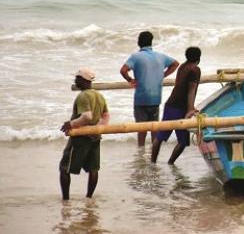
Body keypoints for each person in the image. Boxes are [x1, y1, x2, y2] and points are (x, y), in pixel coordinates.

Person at [120, 31, 179, 147]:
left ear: (138, 43)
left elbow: (123, 70)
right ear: (151, 42)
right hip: (156, 98)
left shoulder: (136, 57)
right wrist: (163, 75)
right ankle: (154, 153)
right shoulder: (161, 56)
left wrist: (130, 80)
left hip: (141, 98)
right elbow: (176, 63)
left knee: (141, 129)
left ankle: (141, 152)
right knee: (154, 128)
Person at [59, 68, 110, 200]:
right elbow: (106, 115)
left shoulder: (83, 96)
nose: (75, 80)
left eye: (77, 78)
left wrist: (71, 124)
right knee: (93, 168)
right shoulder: (99, 95)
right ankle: (89, 198)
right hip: (95, 136)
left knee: (64, 168)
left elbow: (87, 116)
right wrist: (98, 129)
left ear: (83, 80)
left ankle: (65, 199)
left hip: (80, 138)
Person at [151, 47, 202, 164]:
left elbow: (182, 87)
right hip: (180, 108)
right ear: (199, 58)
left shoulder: (183, 66)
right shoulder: (195, 69)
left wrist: (190, 107)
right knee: (183, 141)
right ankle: (170, 163)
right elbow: (191, 90)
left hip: (170, 105)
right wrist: (190, 109)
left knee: (160, 137)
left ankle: (153, 163)